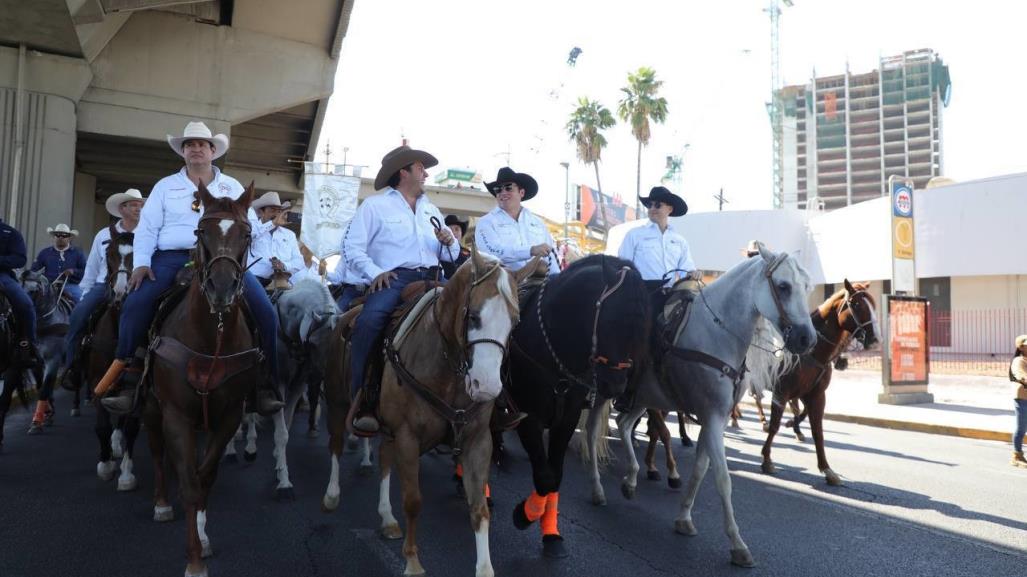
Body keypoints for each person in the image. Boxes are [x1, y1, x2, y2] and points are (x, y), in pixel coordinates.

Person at [95, 121, 284, 416]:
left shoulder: (232, 187)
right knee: (135, 304)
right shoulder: (164, 187)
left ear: (213, 151)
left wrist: (248, 255)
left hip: (223, 259)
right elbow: (147, 228)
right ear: (183, 152)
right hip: (172, 257)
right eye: (189, 145)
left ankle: (266, 383)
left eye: (202, 144)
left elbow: (251, 230)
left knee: (267, 315)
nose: (196, 149)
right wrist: (142, 263)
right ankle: (128, 379)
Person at [343, 144, 456, 434]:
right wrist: (375, 273)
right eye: (421, 168)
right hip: (396, 279)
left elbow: (451, 253)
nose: (426, 173)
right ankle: (363, 399)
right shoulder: (374, 206)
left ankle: (466, 404)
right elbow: (352, 248)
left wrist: (448, 241)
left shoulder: (431, 209)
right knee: (369, 322)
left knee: (470, 319)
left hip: (435, 277)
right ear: (403, 172)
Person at [57, 188, 146, 389]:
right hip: (103, 284)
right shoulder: (104, 234)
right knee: (78, 316)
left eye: (140, 205)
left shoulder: (149, 233)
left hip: (137, 285)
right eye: (133, 205)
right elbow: (93, 265)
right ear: (122, 209)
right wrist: (86, 292)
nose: (138, 209)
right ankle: (72, 368)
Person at [475, 167, 561, 276]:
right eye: (498, 190)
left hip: (540, 279)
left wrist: (558, 279)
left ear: (522, 192)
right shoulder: (485, 222)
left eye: (508, 188)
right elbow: (492, 253)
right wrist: (530, 250)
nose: (503, 192)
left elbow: (551, 257)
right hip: (504, 283)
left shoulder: (538, 222)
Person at [0, 219, 40, 367]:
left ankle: (29, 347)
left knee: (26, 304)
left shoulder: (10, 233)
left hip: (2, 276)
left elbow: (20, 259)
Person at [248, 191, 304, 288]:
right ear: (261, 212)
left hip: (282, 281)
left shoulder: (289, 235)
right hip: (255, 281)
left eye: (279, 211)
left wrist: (284, 265)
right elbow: (252, 235)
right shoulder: (251, 228)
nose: (277, 214)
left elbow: (299, 262)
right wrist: (272, 224)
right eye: (272, 210)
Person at [31, 224, 87, 303]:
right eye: (57, 235)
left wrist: (73, 272)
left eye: (64, 235)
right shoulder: (44, 253)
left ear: (69, 238)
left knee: (81, 301)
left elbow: (85, 271)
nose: (60, 237)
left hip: (70, 286)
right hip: (48, 286)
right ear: (54, 237)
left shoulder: (78, 253)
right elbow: (33, 270)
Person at [1009, 335, 1027, 467]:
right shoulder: (1018, 361)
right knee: (1021, 428)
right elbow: (1021, 375)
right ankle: (1017, 455)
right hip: (1022, 397)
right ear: (1021, 347)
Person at [440, 214, 470, 279]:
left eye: (457, 229)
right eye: (450, 229)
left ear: (462, 233)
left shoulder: (469, 253)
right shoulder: (440, 250)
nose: (454, 232)